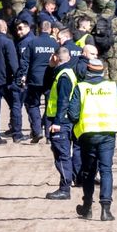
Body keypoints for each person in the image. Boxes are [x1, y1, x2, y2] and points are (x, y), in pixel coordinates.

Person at [68, 57, 117, 222]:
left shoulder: (81, 88)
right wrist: (115, 119)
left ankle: (87, 207)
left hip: (88, 135)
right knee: (106, 170)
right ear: (103, 72)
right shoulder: (112, 87)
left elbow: (73, 114)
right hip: (107, 136)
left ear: (88, 72)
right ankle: (106, 210)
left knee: (88, 172)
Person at [43, 46, 78, 200]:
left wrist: (57, 122)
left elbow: (63, 100)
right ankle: (65, 185)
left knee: (62, 156)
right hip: (64, 120)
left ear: (55, 57)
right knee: (63, 154)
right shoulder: (65, 72)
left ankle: (65, 189)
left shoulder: (63, 76)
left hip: (61, 122)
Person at [23, 21, 58, 143]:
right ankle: (49, 135)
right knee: (50, 106)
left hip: (34, 79)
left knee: (33, 105)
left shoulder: (32, 42)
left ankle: (37, 131)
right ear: (50, 30)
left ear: (39, 29)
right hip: (50, 79)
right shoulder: (54, 43)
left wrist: (22, 76)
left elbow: (25, 61)